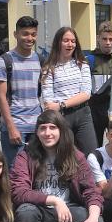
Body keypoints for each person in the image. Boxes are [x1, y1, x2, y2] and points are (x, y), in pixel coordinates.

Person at [11, 111, 104, 222]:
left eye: (52, 128)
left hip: (67, 211)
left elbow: (91, 191)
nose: (47, 133)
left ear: (61, 130)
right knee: (26, 215)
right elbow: (19, 192)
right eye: (43, 128)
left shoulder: (75, 156)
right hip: (36, 211)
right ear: (37, 132)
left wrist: (94, 217)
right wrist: (54, 200)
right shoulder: (25, 156)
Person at [0, 15, 43, 169]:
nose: (29, 38)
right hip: (16, 127)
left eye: (33, 34)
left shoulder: (40, 60)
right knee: (15, 172)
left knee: (36, 170)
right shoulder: (4, 61)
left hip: (36, 126)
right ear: (16, 34)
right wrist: (11, 127)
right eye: (25, 34)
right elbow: (0, 96)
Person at [41, 26, 96, 155]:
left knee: (91, 155)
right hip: (62, 117)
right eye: (66, 40)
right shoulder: (49, 68)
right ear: (58, 42)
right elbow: (48, 102)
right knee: (66, 157)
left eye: (73, 41)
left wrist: (61, 104)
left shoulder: (82, 64)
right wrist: (58, 107)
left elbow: (86, 93)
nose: (70, 44)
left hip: (83, 114)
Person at [86, 21, 112, 147]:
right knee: (95, 147)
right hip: (94, 111)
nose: (108, 42)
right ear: (98, 38)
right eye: (104, 39)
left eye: (111, 39)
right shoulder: (88, 60)